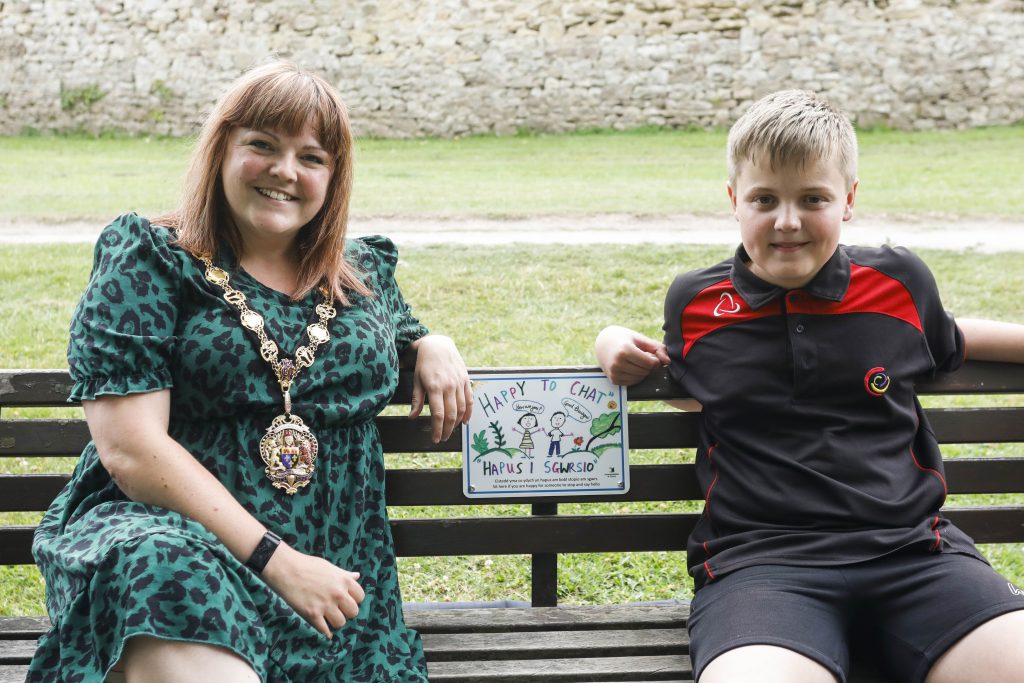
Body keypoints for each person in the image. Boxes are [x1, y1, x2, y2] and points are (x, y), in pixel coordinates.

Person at [28, 61, 473, 682]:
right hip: (175, 545)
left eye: (311, 157)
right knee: (163, 574)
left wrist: (433, 342)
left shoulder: (361, 274)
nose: (285, 171)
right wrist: (277, 561)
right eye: (262, 145)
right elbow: (130, 450)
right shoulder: (152, 259)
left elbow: (403, 326)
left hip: (335, 579)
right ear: (221, 151)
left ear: (334, 178)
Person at [595, 90, 1024, 683]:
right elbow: (679, 377)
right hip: (762, 568)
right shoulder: (697, 302)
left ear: (847, 200)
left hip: (916, 555)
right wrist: (609, 337)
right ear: (733, 201)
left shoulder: (898, 283)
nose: (788, 221)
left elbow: (950, 337)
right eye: (764, 199)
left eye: (813, 198)